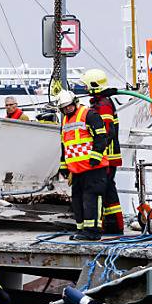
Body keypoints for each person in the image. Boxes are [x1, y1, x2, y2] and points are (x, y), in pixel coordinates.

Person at [55, 90, 109, 240]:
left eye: (69, 106)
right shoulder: (65, 121)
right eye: (64, 108)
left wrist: (96, 157)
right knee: (77, 200)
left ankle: (93, 232)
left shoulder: (90, 115)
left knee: (92, 199)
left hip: (93, 168)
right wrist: (64, 165)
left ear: (75, 102)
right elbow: (65, 146)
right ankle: (81, 230)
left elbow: (101, 137)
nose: (67, 110)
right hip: (77, 170)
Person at [81, 69, 124, 234]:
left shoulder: (103, 105)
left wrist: (98, 152)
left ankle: (110, 226)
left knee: (103, 189)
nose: (84, 89)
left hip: (107, 155)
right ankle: (114, 225)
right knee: (108, 189)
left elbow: (106, 131)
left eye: (86, 86)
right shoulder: (101, 102)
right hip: (107, 155)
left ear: (93, 85)